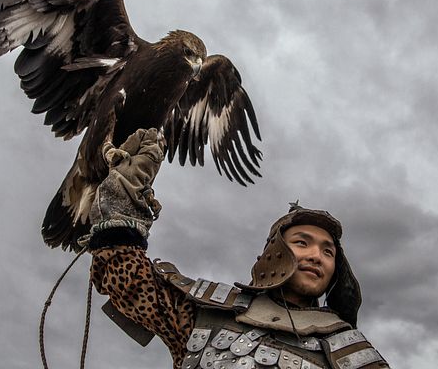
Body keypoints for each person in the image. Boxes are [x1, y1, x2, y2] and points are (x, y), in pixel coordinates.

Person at [85, 128, 389, 369]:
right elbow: (130, 284)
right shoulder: (209, 316)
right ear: (275, 252)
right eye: (302, 243)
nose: (316, 256)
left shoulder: (352, 351)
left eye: (328, 251)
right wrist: (122, 205)